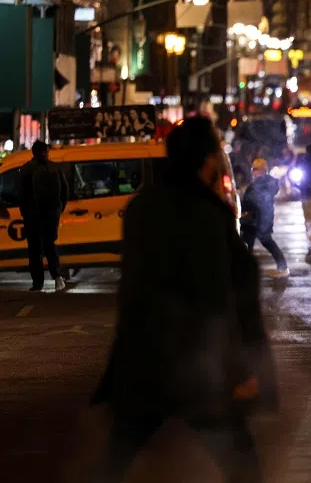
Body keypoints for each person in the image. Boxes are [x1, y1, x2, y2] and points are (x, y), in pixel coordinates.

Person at [91, 116, 271, 483]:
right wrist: (239, 369)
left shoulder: (143, 206)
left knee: (115, 460)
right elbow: (216, 295)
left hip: (143, 358)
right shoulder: (205, 213)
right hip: (195, 364)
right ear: (206, 159)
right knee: (243, 466)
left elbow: (133, 288)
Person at [19, 141, 69, 292]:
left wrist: (25, 214)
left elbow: (22, 195)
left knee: (35, 250)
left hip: (33, 216)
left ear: (33, 152)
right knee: (50, 245)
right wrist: (58, 210)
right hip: (51, 215)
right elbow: (65, 192)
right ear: (46, 152)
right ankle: (58, 278)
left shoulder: (26, 169)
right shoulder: (55, 167)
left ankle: (37, 284)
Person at [241, 158, 290, 276]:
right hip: (256, 218)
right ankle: (245, 269)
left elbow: (254, 200)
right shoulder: (264, 183)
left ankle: (282, 267)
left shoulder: (261, 184)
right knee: (250, 242)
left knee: (261, 241)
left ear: (262, 170)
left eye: (254, 169)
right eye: (252, 169)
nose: (252, 172)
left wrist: (244, 205)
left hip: (258, 218)